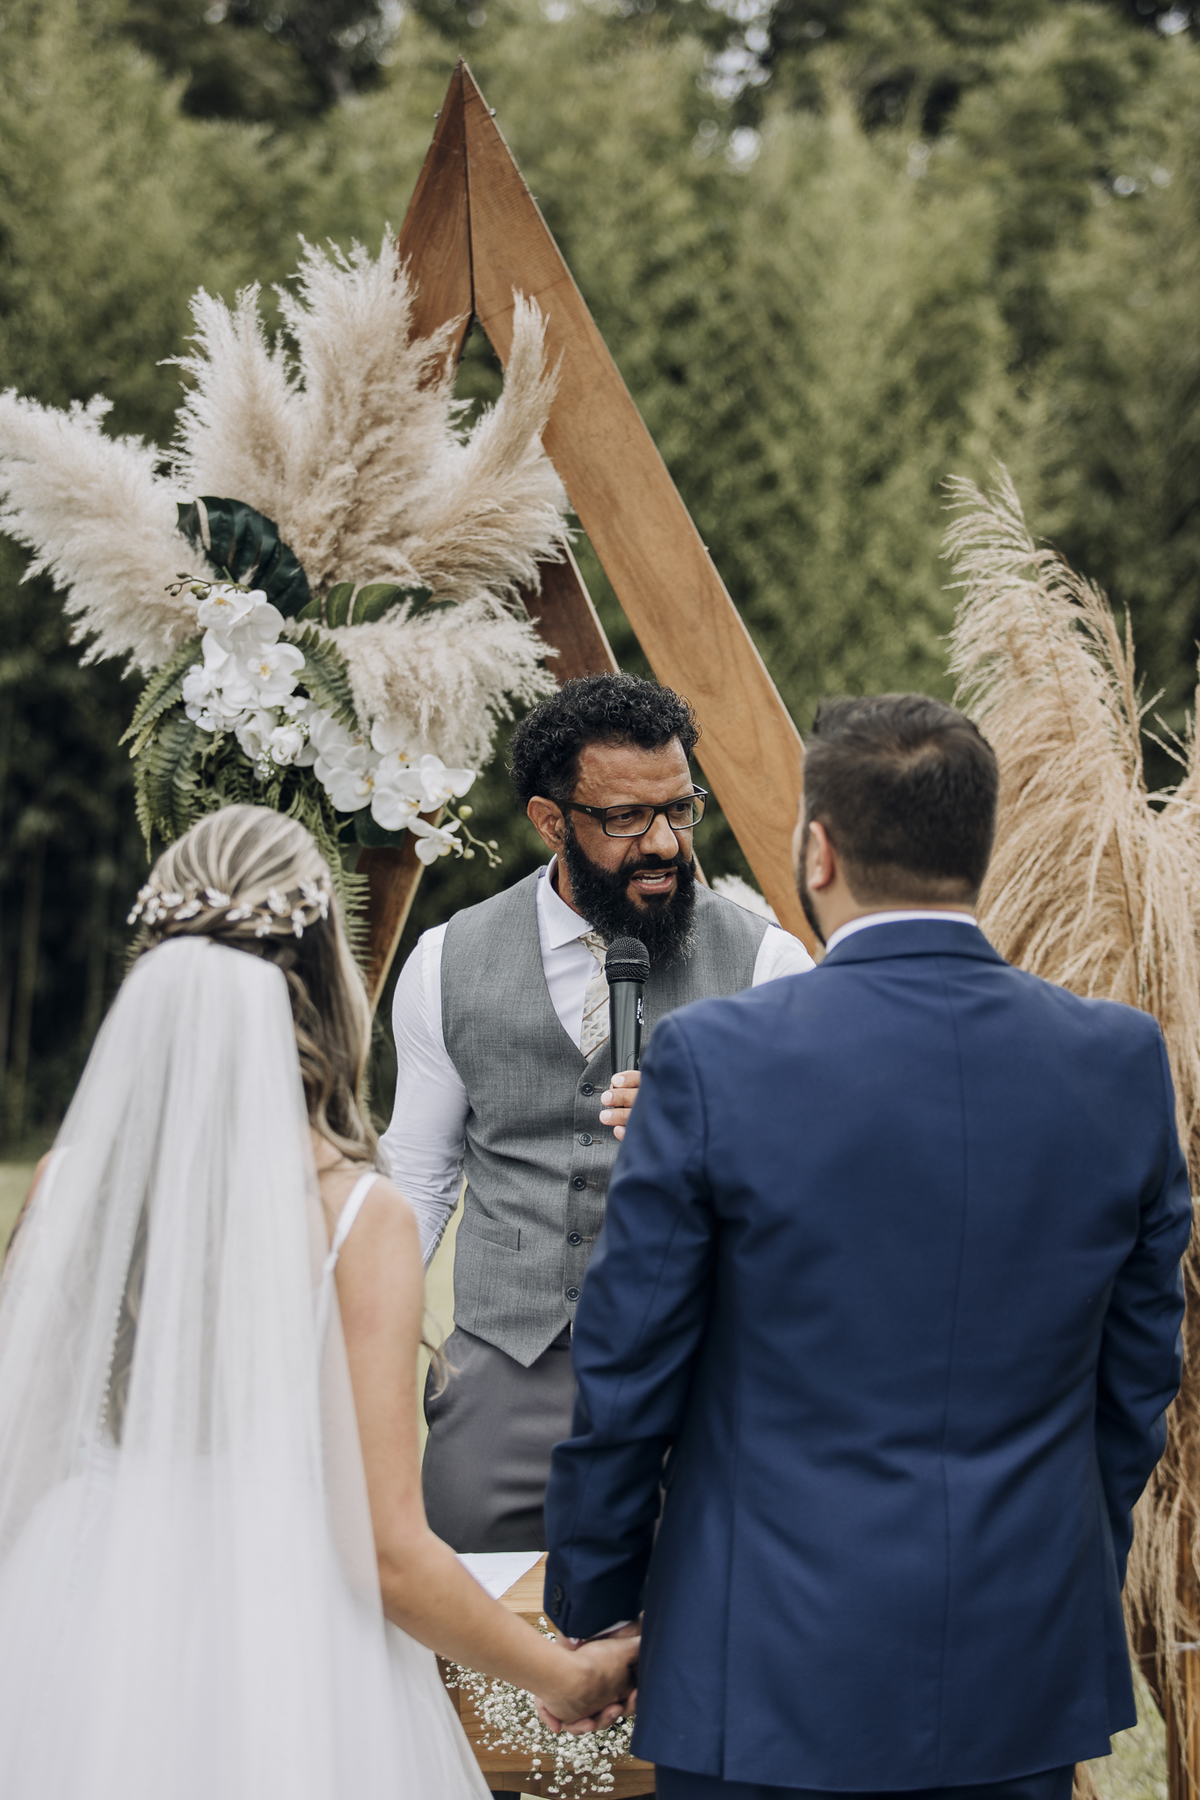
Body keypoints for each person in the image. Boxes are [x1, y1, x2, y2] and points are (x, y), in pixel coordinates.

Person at [542, 694, 1192, 1800]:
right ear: (976, 849)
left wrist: (594, 1602)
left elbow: (629, 1360)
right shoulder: (1120, 1063)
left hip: (762, 1664)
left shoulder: (713, 1061)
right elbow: (1137, 1378)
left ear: (820, 850)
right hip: (1016, 1658)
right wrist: (1053, 1555)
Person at [0, 805, 636, 1800]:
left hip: (73, 1621)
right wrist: (568, 1675)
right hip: (281, 1649)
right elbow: (386, 1552)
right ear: (323, 975)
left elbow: (22, 1471)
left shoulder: (66, 1183)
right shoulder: (352, 1217)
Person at [378, 672, 813, 1558]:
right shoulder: (443, 963)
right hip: (504, 1371)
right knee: (470, 1618)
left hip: (705, 1375)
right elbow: (418, 1179)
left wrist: (715, 1137)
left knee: (701, 1623)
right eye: (626, 818)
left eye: (680, 809)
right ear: (550, 822)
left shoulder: (771, 967)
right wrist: (356, 1336)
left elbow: (817, 1191)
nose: (664, 843)